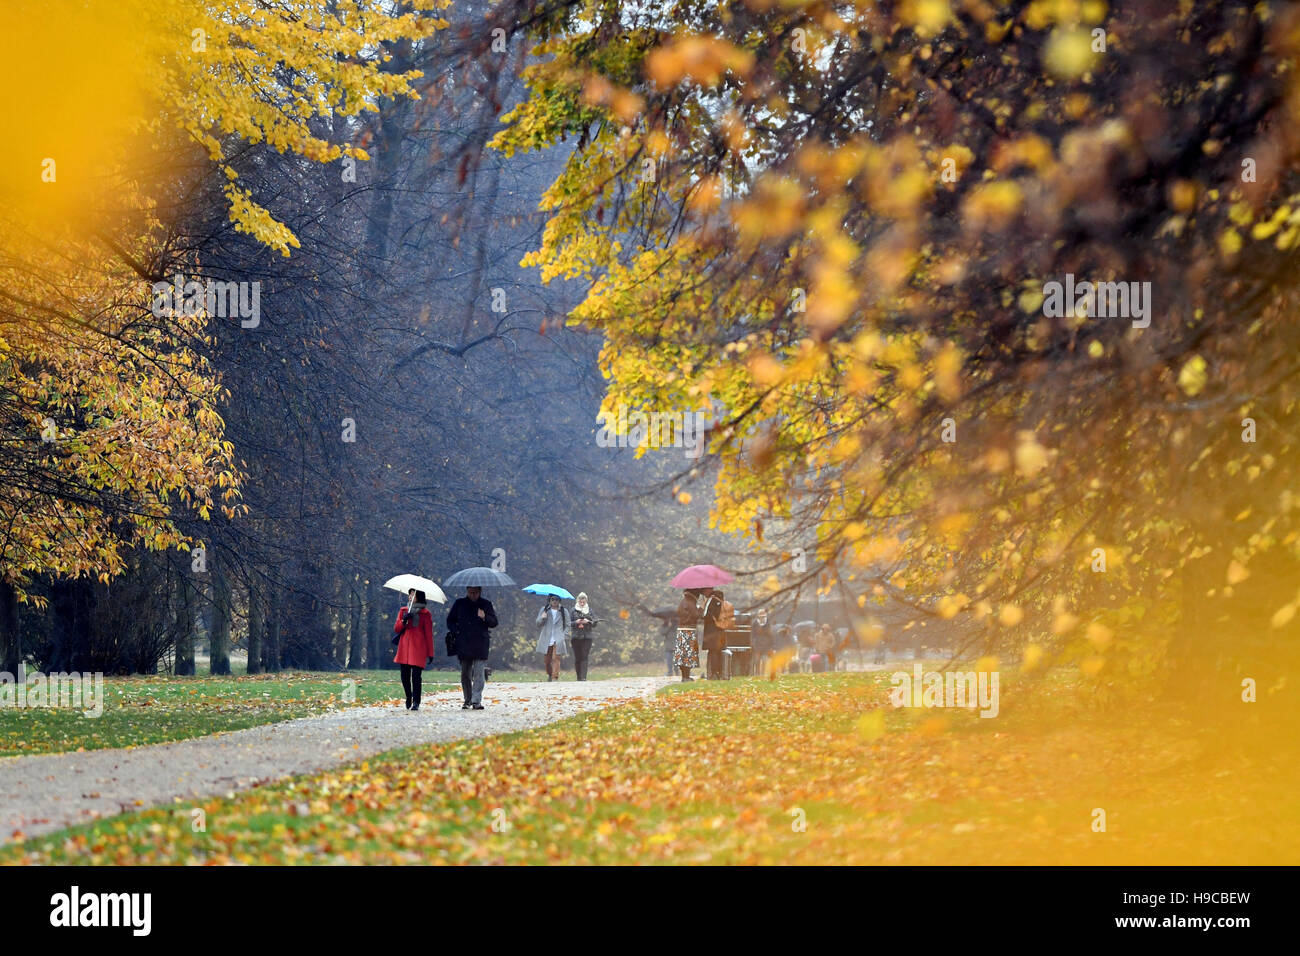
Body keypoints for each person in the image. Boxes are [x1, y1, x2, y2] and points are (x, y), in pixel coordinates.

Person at [446, 585, 497, 709]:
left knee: (479, 673)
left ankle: (476, 700)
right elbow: (450, 621)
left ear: (479, 592)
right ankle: (467, 699)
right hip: (464, 642)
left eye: (475, 592)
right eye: (470, 592)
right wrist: (457, 631)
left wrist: (484, 617)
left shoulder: (486, 604)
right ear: (467, 591)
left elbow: (494, 622)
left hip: (480, 643)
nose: (472, 595)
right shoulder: (460, 603)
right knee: (465, 673)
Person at [393, 589, 434, 711]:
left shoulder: (425, 613)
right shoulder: (403, 611)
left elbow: (428, 634)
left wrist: (430, 653)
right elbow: (396, 628)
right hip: (404, 648)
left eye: (413, 594)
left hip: (418, 648)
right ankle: (408, 696)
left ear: (419, 597)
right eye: (410, 594)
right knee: (404, 675)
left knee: (416, 676)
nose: (410, 597)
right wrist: (404, 620)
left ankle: (416, 701)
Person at [535, 593, 570, 681]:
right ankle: (550, 674)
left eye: (556, 599)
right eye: (553, 599)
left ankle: (555, 677)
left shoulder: (563, 611)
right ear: (549, 600)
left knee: (556, 658)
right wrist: (542, 618)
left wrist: (564, 635)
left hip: (558, 638)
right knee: (547, 660)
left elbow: (568, 625)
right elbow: (538, 623)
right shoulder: (545, 609)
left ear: (559, 601)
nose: (554, 601)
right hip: (547, 637)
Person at [673, 588, 701, 681]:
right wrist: (700, 609)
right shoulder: (690, 602)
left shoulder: (683, 602)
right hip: (689, 630)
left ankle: (684, 676)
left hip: (681, 630)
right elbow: (695, 615)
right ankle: (686, 677)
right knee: (688, 655)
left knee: (682, 655)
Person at [570, 592, 597, 680]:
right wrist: (576, 622)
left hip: (587, 637)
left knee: (585, 656)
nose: (582, 601)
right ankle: (578, 677)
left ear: (586, 600)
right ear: (578, 600)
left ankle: (583, 677)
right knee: (578, 657)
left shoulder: (590, 610)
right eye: (580, 599)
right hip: (576, 637)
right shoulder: (573, 610)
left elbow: (595, 622)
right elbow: (568, 623)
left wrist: (588, 622)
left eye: (584, 599)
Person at [701, 588, 726, 679]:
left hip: (712, 631)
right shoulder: (720, 600)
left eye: (704, 591)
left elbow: (707, 615)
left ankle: (714, 673)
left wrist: (702, 610)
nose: (703, 593)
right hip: (720, 630)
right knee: (718, 651)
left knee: (713, 651)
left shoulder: (712, 600)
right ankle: (719, 672)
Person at [751, 608, 773, 676]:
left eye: (763, 616)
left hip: (766, 645)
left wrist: (770, 645)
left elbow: (770, 634)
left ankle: (763, 673)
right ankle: (757, 673)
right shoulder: (755, 623)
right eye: (760, 615)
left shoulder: (768, 623)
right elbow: (752, 634)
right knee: (757, 660)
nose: (762, 617)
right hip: (757, 644)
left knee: (764, 660)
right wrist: (753, 642)